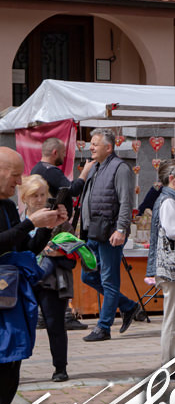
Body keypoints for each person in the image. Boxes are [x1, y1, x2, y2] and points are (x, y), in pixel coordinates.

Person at [0, 148, 66, 404]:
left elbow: (24, 247)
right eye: (14, 175)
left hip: (9, 296)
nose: (17, 182)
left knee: (12, 367)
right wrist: (29, 222)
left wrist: (46, 226)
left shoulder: (7, 206)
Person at [80, 128, 145, 342]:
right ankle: (128, 306)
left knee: (109, 280)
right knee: (88, 275)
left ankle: (104, 327)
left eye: (95, 144)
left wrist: (121, 229)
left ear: (108, 147)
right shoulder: (95, 167)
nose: (91, 147)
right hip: (93, 232)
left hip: (110, 232)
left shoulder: (120, 168)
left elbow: (127, 201)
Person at [31, 139, 90, 332]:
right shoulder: (51, 172)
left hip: (44, 224)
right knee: (62, 264)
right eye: (63, 153)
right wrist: (86, 171)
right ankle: (61, 314)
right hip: (56, 226)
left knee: (51, 265)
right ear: (55, 152)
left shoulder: (37, 169)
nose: (65, 157)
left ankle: (44, 313)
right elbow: (72, 190)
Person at [19, 175, 73, 381]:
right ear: (25, 198)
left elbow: (74, 255)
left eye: (43, 194)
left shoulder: (60, 221)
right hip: (24, 281)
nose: (40, 199)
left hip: (53, 281)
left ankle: (60, 367)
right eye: (35, 195)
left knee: (55, 323)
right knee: (21, 324)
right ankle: (14, 368)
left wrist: (59, 253)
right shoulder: (19, 222)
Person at [145, 163, 175, 380]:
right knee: (174, 320)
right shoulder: (168, 200)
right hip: (173, 268)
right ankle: (169, 366)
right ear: (173, 179)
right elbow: (174, 231)